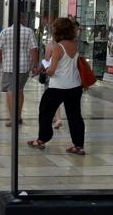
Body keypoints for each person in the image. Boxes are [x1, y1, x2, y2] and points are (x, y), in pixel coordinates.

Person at [27, 18, 85, 155]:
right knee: (75, 116)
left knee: (45, 111)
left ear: (57, 31)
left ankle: (42, 139)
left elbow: (52, 71)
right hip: (75, 86)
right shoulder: (75, 45)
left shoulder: (58, 47)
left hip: (58, 87)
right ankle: (78, 146)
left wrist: (45, 69)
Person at [0, 13, 38, 126]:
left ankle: (13, 118)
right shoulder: (29, 31)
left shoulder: (5, 32)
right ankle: (18, 116)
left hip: (9, 66)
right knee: (19, 90)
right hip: (24, 67)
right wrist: (35, 65)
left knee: (10, 91)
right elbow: (33, 50)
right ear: (22, 19)